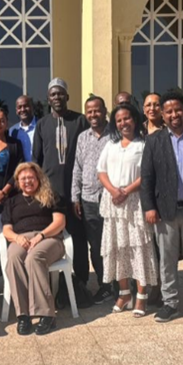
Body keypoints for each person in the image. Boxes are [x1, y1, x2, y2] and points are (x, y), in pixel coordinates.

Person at [140, 91, 183, 325]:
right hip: (164, 211)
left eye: (177, 109)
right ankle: (169, 303)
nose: (174, 115)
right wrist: (149, 207)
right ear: (162, 114)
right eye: (168, 111)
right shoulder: (153, 141)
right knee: (167, 260)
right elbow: (147, 177)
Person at [32, 77, 92, 309]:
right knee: (52, 236)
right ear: (48, 98)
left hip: (75, 192)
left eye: (61, 94)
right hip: (50, 194)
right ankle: (53, 284)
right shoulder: (42, 124)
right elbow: (36, 161)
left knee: (78, 238)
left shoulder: (80, 121)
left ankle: (81, 282)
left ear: (67, 96)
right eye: (53, 94)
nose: (57, 98)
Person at [97, 103, 155, 317]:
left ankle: (141, 296)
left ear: (135, 120)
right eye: (119, 120)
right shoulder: (111, 145)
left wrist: (126, 191)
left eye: (127, 118)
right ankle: (124, 293)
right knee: (117, 248)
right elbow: (100, 171)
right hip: (113, 203)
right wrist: (114, 191)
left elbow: (148, 173)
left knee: (138, 249)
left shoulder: (143, 144)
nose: (123, 123)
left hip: (135, 202)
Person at [2, 162, 67, 335]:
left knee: (34, 257)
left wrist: (41, 236)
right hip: (21, 239)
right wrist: (17, 238)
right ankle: (23, 315)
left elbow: (59, 222)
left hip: (49, 238)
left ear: (38, 178)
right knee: (14, 258)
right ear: (17, 181)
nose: (27, 181)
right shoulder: (11, 202)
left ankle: (47, 314)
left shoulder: (50, 195)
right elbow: (6, 230)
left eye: (31, 177)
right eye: (23, 178)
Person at [71, 97, 113, 305]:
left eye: (97, 111)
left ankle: (121, 284)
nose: (93, 115)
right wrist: (75, 196)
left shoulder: (115, 135)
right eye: (89, 111)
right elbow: (77, 168)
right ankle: (105, 285)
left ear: (105, 111)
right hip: (88, 199)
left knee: (115, 243)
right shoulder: (82, 137)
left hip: (112, 199)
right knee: (95, 246)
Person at [9, 95, 37, 162]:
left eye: (26, 106)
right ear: (16, 110)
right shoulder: (13, 131)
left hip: (40, 170)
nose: (23, 109)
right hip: (21, 171)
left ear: (32, 108)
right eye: (19, 107)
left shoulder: (41, 126)